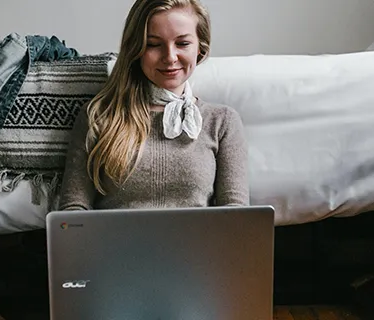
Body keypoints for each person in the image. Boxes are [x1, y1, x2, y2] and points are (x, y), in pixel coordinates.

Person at [57, 0, 249, 211]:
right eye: (153, 44)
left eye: (183, 43)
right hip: (116, 244)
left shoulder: (222, 121)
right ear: (136, 50)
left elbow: (235, 216)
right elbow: (73, 212)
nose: (170, 57)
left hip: (197, 244)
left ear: (200, 48)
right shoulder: (98, 117)